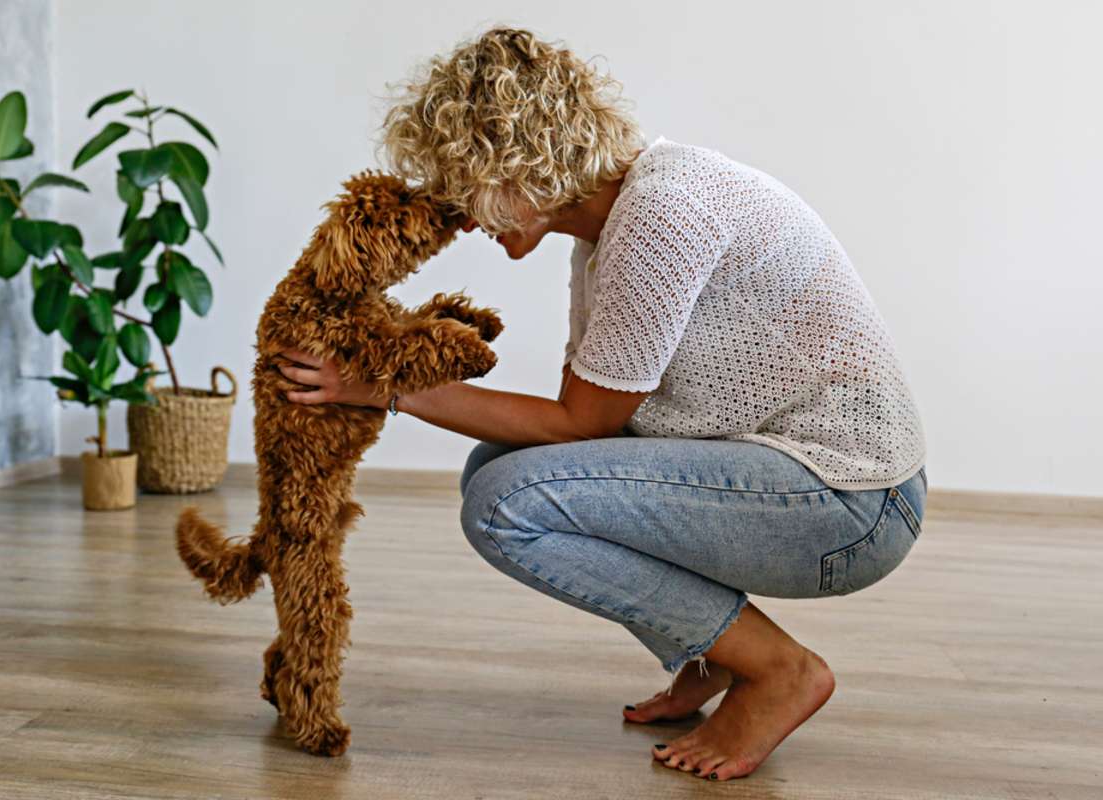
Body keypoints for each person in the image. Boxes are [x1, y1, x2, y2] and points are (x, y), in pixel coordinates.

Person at [275, 26, 928, 782]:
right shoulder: (617, 222)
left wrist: (383, 387)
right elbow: (578, 420)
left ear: (521, 164)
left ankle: (779, 670)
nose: (462, 214)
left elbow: (585, 424)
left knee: (504, 504)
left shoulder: (660, 217)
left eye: (465, 183)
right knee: (501, 466)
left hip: (852, 502)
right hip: (802, 484)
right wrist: (392, 385)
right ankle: (707, 651)